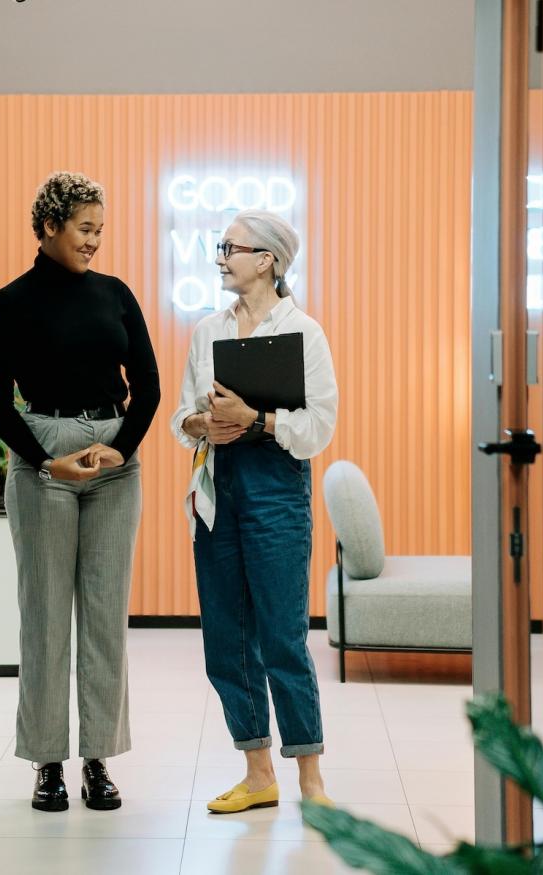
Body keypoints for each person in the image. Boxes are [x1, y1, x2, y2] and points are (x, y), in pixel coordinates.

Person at [0, 171, 161, 812]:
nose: (94, 242)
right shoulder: (8, 303)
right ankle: (48, 763)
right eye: (85, 229)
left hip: (115, 456)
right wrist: (45, 463)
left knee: (106, 616)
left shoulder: (116, 294)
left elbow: (149, 386)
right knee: (46, 616)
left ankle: (98, 760)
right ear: (50, 226)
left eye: (100, 231)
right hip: (43, 454)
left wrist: (121, 448)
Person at [170, 209, 338, 813]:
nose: (220, 257)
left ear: (266, 260)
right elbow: (180, 414)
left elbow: (320, 425)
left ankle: (311, 781)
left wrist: (257, 420)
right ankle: (258, 773)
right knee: (227, 640)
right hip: (220, 491)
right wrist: (200, 423)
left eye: (229, 248)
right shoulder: (207, 330)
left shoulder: (305, 332)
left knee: (283, 639)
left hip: (277, 491)